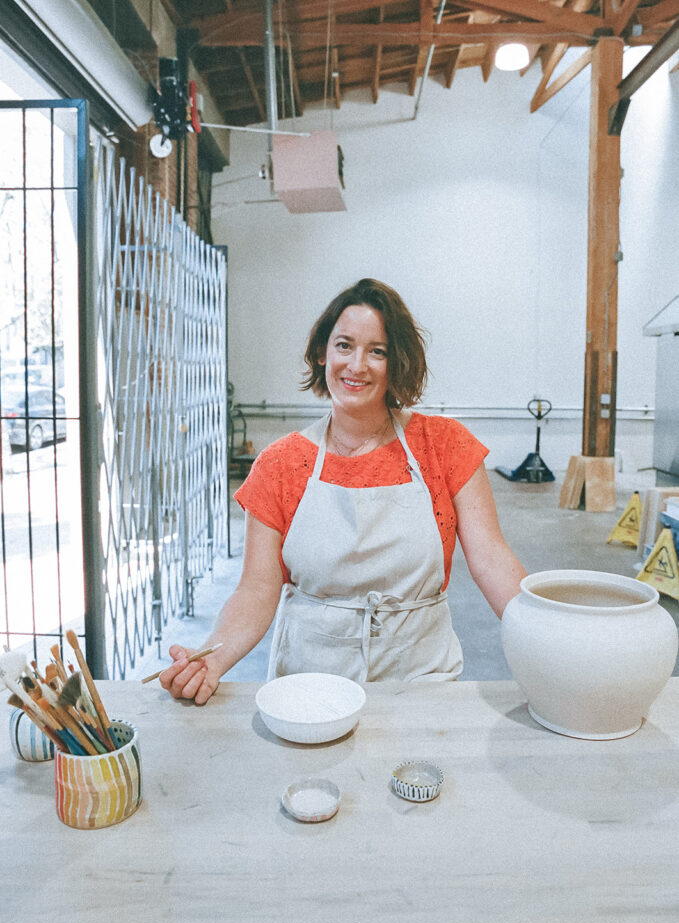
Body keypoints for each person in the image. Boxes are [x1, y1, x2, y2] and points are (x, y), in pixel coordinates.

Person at [159, 278, 526, 704]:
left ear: (397, 361)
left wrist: (546, 635)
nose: (357, 365)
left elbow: (491, 559)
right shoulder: (280, 464)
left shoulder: (443, 445)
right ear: (322, 352)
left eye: (378, 351)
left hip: (420, 680)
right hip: (309, 685)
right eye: (344, 345)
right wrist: (212, 659)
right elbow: (257, 589)